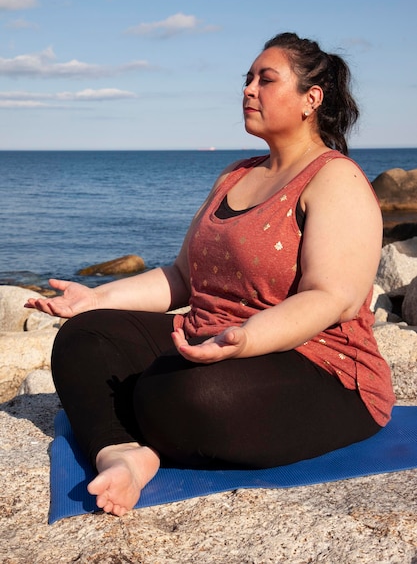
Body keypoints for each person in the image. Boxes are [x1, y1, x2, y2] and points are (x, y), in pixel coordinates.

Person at [26, 32, 395, 518]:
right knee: (83, 338)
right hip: (212, 339)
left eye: (266, 80)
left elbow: (333, 298)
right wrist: (95, 298)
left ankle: (156, 431)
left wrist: (246, 338)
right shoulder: (235, 175)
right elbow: (183, 276)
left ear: (312, 99)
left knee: (180, 394)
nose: (248, 90)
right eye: (247, 80)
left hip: (317, 364)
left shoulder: (335, 179)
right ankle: (121, 452)